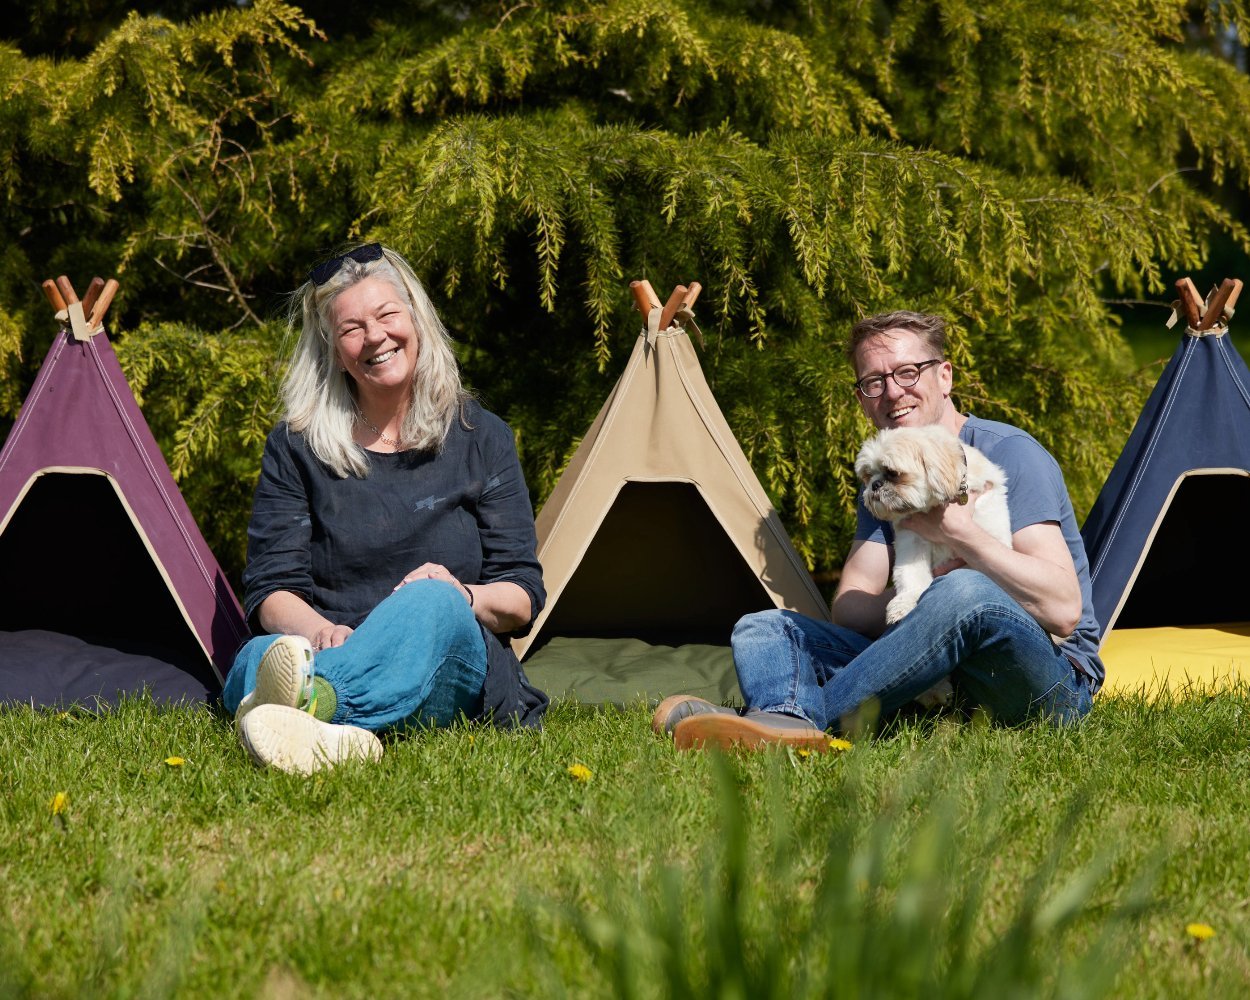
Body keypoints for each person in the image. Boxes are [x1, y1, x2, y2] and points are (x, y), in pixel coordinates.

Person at [654, 310, 1104, 749]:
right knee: (765, 627)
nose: (892, 392)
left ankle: (783, 727)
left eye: (908, 372)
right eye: (874, 382)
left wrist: (958, 538)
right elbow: (851, 610)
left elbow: (1062, 610)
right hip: (941, 678)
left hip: (1047, 680)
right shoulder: (887, 477)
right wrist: (925, 594)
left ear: (944, 377)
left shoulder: (1009, 454)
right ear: (862, 399)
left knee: (964, 592)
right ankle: (784, 717)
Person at [223, 242, 547, 773]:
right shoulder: (295, 445)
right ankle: (330, 723)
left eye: (387, 314)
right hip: (328, 644)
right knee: (260, 654)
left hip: (448, 662)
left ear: (416, 319)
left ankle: (318, 707)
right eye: (352, 328)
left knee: (429, 602)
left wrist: (460, 593)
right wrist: (318, 630)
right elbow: (272, 589)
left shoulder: (482, 437)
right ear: (332, 349)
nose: (374, 336)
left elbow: (522, 598)